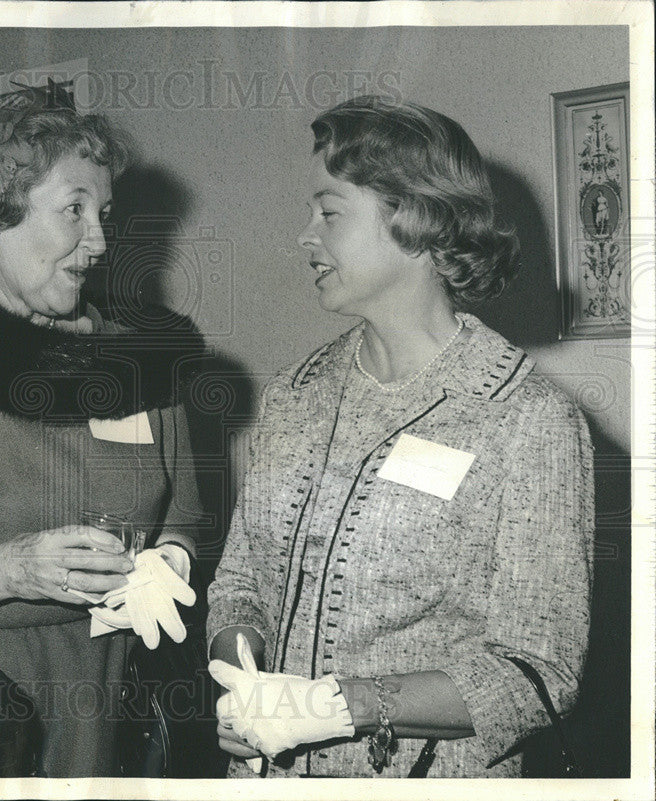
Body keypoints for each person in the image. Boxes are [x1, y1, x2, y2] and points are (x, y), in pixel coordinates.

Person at [205, 95, 594, 778]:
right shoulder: (294, 396)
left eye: (329, 213)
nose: (304, 234)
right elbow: (242, 580)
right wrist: (245, 683)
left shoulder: (526, 418)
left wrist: (344, 704)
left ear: (415, 221)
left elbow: (539, 673)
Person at [0, 83, 206, 777]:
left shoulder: (137, 359)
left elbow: (187, 514)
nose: (100, 241)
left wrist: (170, 560)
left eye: (104, 212)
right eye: (74, 210)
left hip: (133, 724)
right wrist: (5, 571)